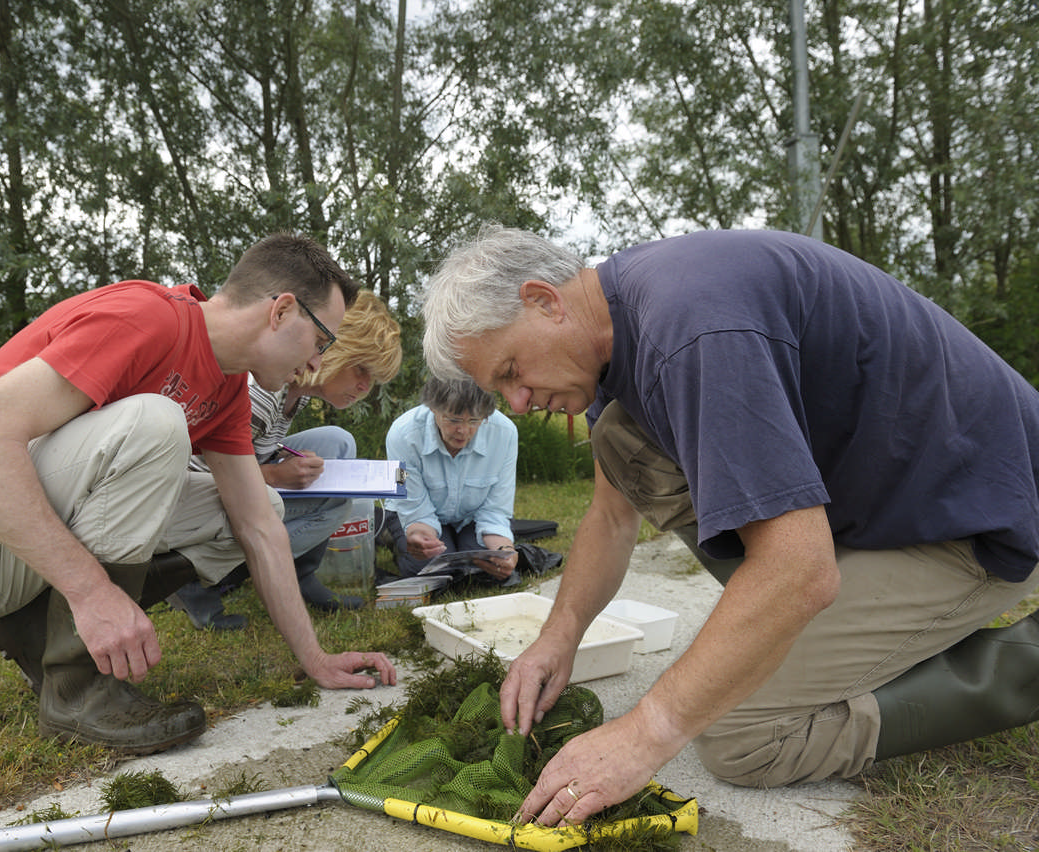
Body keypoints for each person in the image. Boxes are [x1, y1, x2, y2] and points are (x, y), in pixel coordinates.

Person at [420, 224, 1039, 827]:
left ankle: (1017, 663)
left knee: (742, 735)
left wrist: (644, 733)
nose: (519, 404)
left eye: (509, 371)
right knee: (621, 440)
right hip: (879, 511)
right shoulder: (618, 336)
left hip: (979, 516)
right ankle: (838, 635)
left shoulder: (693, 330)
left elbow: (800, 572)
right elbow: (610, 517)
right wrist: (559, 635)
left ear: (543, 300)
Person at [0, 233, 397, 756]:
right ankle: (79, 692)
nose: (316, 363)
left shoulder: (228, 386)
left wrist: (316, 659)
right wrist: (92, 593)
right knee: (156, 421)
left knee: (267, 507)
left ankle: (37, 633)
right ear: (282, 311)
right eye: (323, 340)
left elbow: (258, 529)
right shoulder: (147, 317)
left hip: (9, 556)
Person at [169, 290, 404, 629]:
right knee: (337, 505)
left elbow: (251, 445)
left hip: (229, 481)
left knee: (337, 442)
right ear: (333, 349)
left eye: (374, 378)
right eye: (361, 369)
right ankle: (198, 577)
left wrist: (279, 456)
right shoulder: (261, 392)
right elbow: (199, 476)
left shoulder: (297, 391)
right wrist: (277, 476)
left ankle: (300, 575)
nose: (365, 386)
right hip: (188, 510)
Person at [380, 375, 520, 583]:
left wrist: (505, 550)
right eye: (453, 420)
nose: (463, 431)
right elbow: (414, 509)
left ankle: (458, 540)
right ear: (433, 408)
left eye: (474, 421)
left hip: (472, 517)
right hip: (418, 515)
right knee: (430, 572)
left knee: (486, 572)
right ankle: (395, 537)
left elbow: (495, 510)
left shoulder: (505, 433)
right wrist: (419, 536)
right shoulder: (402, 434)